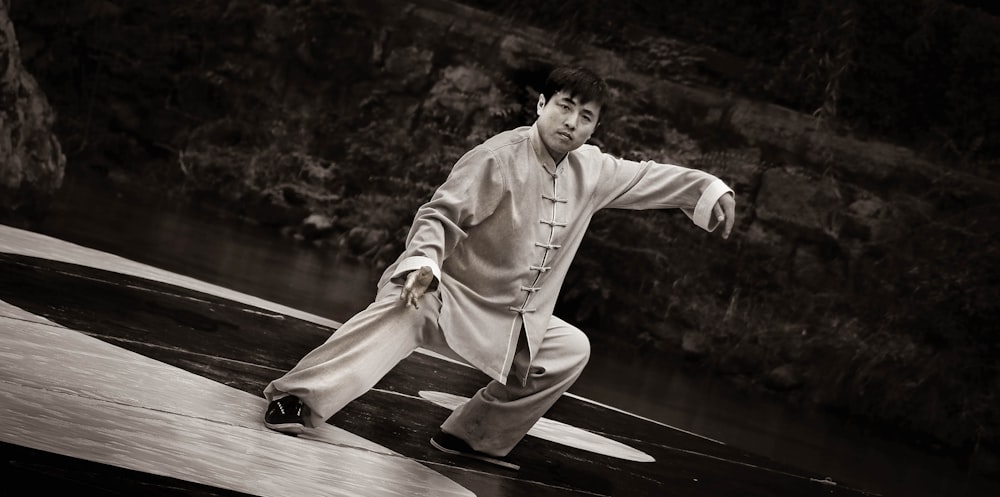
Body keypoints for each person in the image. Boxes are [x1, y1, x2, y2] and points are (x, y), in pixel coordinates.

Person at [263, 65, 735, 468]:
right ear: (541, 104)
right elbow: (440, 214)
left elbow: (648, 174)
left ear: (593, 128)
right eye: (564, 107)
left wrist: (710, 189)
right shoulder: (497, 156)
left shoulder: (591, 171)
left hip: (517, 322)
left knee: (569, 349)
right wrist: (425, 261)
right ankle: (298, 398)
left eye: (585, 117)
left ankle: (473, 435)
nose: (571, 123)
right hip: (454, 298)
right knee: (404, 304)